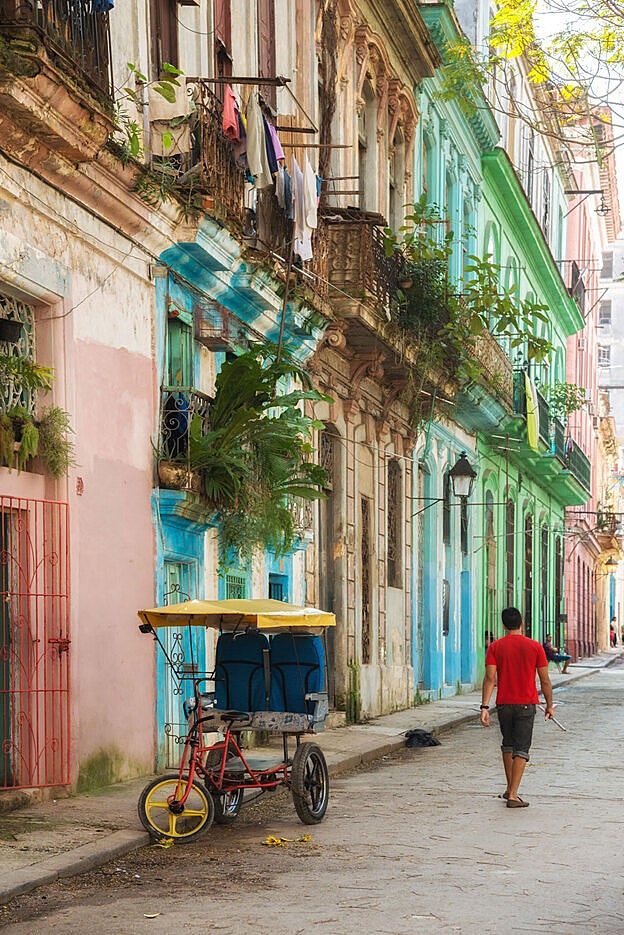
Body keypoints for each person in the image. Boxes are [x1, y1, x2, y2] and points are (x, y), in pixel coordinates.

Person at [480, 607, 555, 808]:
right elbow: (545, 680)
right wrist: (549, 705)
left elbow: (489, 678)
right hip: (526, 704)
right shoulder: (535, 647)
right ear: (521, 624)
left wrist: (484, 707)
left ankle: (509, 788)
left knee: (508, 744)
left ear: (503, 625)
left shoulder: (495, 647)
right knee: (521, 747)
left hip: (504, 703)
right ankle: (513, 794)